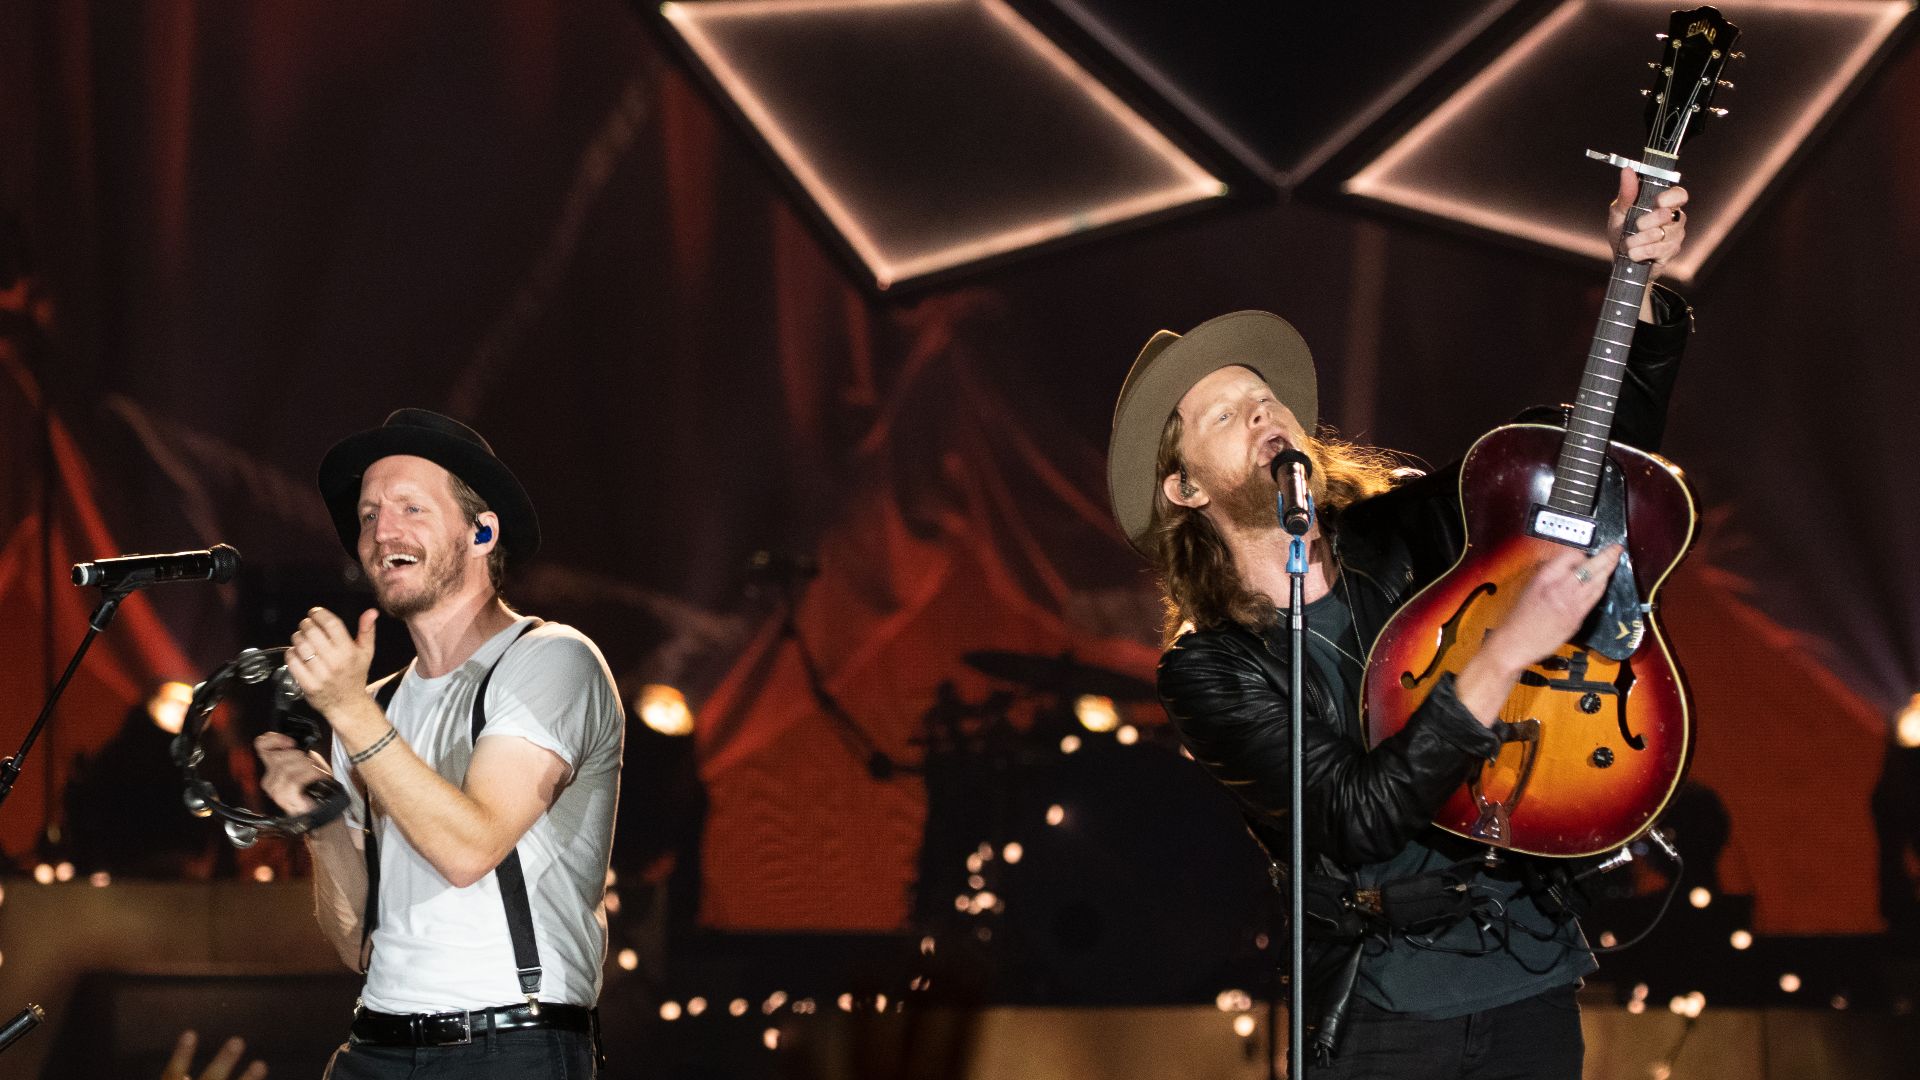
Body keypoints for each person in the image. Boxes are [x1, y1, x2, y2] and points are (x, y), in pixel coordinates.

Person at [1104, 169, 1693, 1077]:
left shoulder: (1410, 528)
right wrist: (1504, 656)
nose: (1262, 410)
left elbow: (1580, 470)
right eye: (1223, 413)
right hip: (1383, 1007)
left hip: (1527, 967)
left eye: (1264, 395)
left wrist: (1637, 290)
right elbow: (1354, 818)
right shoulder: (1211, 668)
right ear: (1184, 490)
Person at [255, 409, 623, 1078]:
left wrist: (347, 709)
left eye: (409, 508)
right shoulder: (377, 705)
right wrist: (322, 817)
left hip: (509, 1048)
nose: (380, 531)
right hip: (372, 1047)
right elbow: (355, 944)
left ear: (482, 531)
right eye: (367, 515)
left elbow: (468, 849)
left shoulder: (553, 660)